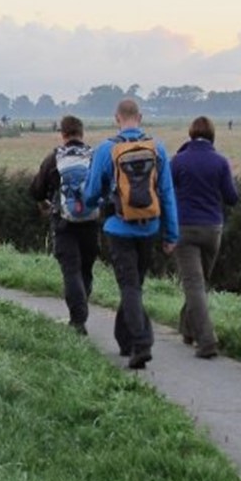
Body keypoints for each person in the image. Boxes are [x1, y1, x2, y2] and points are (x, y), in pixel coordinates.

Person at [82, 99, 179, 369]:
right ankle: (125, 340)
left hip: (118, 227)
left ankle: (141, 344)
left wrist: (93, 204)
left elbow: (91, 193)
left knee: (129, 285)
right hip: (149, 227)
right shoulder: (157, 148)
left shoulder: (106, 149)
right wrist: (172, 235)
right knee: (135, 284)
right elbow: (167, 195)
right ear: (141, 117)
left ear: (117, 119)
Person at [171, 116, 240, 359]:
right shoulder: (220, 161)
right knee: (200, 283)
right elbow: (232, 197)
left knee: (193, 284)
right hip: (212, 229)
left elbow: (167, 193)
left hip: (185, 228)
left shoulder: (178, 161)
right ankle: (190, 330)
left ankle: (206, 340)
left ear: (190, 134)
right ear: (212, 135)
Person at [29, 115, 100, 334]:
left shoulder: (54, 159)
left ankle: (78, 321)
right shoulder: (94, 157)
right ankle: (81, 310)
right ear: (82, 133)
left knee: (71, 271)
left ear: (63, 134)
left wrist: (44, 204)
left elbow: (36, 191)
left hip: (63, 223)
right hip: (91, 221)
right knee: (86, 269)